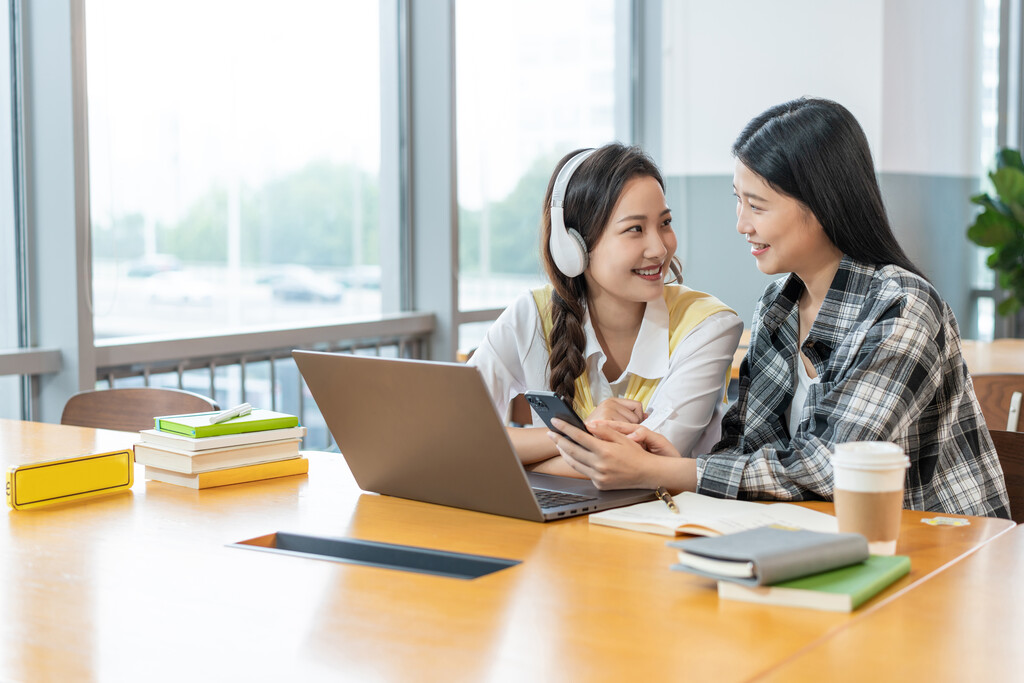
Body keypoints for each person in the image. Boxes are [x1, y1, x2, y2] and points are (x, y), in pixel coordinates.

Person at [547, 98, 1010, 518]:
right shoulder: (777, 308)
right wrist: (671, 460)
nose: (741, 224)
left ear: (822, 203)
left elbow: (832, 465)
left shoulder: (902, 306)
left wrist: (675, 474)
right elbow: (749, 447)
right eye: (738, 201)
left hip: (943, 551)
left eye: (757, 206)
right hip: (820, 543)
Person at [469, 143, 743, 478]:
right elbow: (459, 435)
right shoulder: (532, 315)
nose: (659, 248)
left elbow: (635, 466)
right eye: (635, 229)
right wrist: (584, 429)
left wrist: (521, 457)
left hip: (665, 523)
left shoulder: (708, 325)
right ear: (573, 247)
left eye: (665, 223)